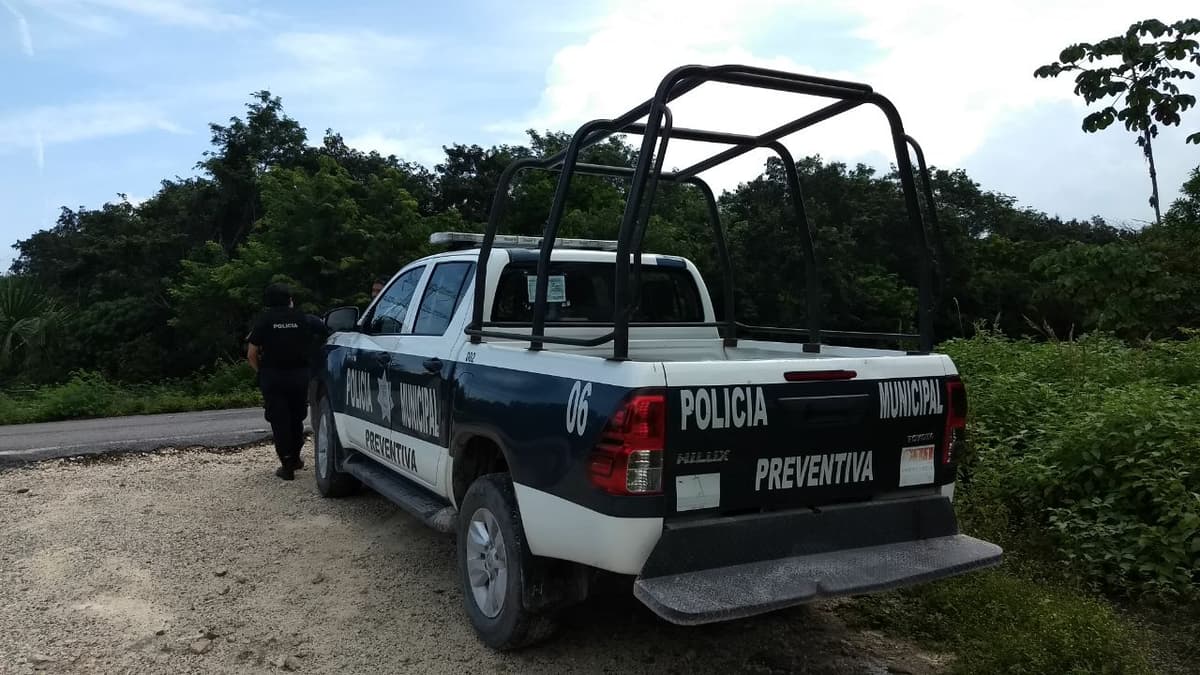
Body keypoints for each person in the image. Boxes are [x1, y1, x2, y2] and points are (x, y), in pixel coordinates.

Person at [246, 283, 331, 480]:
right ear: (289, 300)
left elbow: (251, 354)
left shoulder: (264, 320)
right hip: (299, 376)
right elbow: (325, 332)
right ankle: (296, 458)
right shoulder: (303, 318)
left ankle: (286, 465)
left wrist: (261, 372)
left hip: (273, 377)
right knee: (296, 417)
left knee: (279, 420)